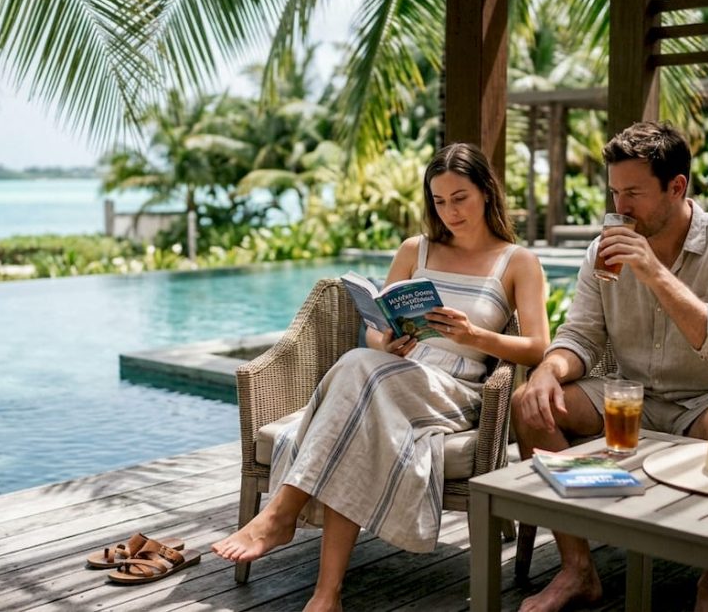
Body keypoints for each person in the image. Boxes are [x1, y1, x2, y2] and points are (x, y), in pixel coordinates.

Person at [212, 143, 551, 612]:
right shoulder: (417, 249)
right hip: (395, 371)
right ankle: (326, 595)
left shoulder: (517, 262)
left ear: (486, 193)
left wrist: (475, 334)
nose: (449, 211)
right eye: (439, 201)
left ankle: (280, 514)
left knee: (357, 369)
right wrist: (386, 343)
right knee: (362, 384)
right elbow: (375, 331)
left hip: (458, 392)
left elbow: (537, 347)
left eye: (460, 197)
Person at [510, 121, 708, 612]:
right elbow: (582, 336)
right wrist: (549, 369)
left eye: (633, 192)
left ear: (677, 187)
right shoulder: (601, 251)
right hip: (630, 397)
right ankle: (577, 570)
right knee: (531, 405)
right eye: (613, 192)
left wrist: (654, 273)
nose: (619, 208)